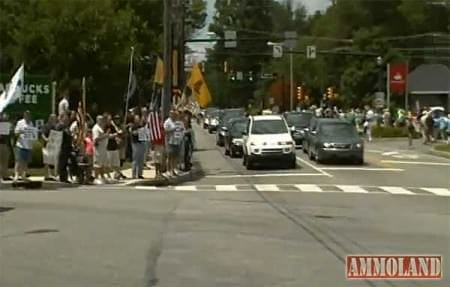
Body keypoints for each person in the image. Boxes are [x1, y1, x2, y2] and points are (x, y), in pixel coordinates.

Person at [14, 111, 35, 181]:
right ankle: (16, 175)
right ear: (24, 115)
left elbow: (33, 134)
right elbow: (16, 132)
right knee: (19, 161)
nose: (28, 116)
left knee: (26, 162)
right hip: (21, 145)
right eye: (26, 115)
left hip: (28, 146)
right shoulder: (20, 123)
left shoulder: (31, 123)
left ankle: (23, 175)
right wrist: (21, 132)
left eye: (29, 115)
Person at [56, 113, 78, 183]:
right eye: (65, 118)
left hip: (68, 147)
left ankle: (66, 177)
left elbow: (69, 136)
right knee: (62, 163)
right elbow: (58, 135)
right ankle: (62, 177)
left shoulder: (66, 127)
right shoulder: (59, 126)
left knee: (66, 163)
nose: (67, 119)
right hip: (62, 147)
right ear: (62, 118)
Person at [105, 113, 125, 180]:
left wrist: (114, 125)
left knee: (116, 164)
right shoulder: (105, 127)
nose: (110, 121)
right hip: (108, 148)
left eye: (111, 119)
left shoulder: (113, 126)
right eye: (109, 119)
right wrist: (115, 135)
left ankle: (117, 174)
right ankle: (108, 176)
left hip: (115, 147)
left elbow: (119, 132)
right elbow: (108, 136)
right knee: (108, 164)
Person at [92, 115, 109, 183]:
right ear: (97, 120)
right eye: (101, 120)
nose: (102, 121)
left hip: (103, 149)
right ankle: (96, 178)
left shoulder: (101, 128)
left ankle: (102, 177)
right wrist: (105, 136)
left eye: (102, 120)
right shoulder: (96, 128)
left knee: (102, 164)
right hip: (98, 149)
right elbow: (96, 139)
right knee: (97, 164)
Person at [41, 113, 58, 180]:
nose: (54, 120)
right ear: (50, 118)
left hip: (53, 146)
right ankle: (46, 175)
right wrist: (46, 139)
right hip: (46, 145)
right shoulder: (46, 126)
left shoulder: (56, 127)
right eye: (53, 118)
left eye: (55, 118)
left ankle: (52, 175)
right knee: (46, 161)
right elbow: (42, 134)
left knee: (52, 161)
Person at [129, 114, 146, 179]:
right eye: (136, 119)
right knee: (135, 159)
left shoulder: (141, 126)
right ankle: (133, 174)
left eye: (138, 118)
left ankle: (139, 174)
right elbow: (133, 133)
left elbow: (144, 134)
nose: (138, 120)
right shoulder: (133, 126)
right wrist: (140, 131)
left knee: (141, 160)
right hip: (135, 144)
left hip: (141, 143)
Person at [0, 112, 13, 181]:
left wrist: (10, 130)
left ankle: (5, 175)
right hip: (1, 144)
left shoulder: (7, 125)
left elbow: (10, 135)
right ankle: (3, 176)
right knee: (2, 161)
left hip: (6, 144)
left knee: (5, 161)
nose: (6, 116)